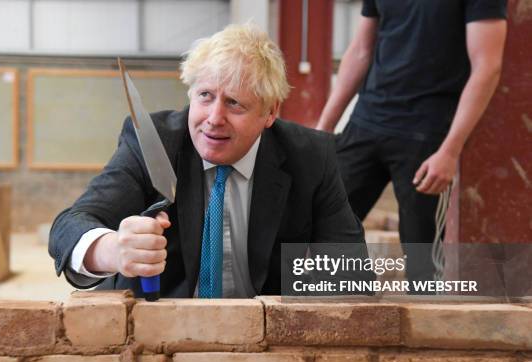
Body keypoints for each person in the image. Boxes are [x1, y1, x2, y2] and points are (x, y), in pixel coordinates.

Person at [48, 24, 373, 298]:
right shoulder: (153, 144)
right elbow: (69, 227)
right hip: (158, 342)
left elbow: (352, 274)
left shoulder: (311, 156)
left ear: (270, 112)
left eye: (234, 104)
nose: (214, 118)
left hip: (265, 346)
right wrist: (113, 251)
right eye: (205, 96)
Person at [316, 0, 507, 285]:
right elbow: (359, 51)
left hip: (427, 137)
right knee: (319, 236)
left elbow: (487, 67)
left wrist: (450, 150)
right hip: (365, 124)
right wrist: (323, 130)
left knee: (423, 273)